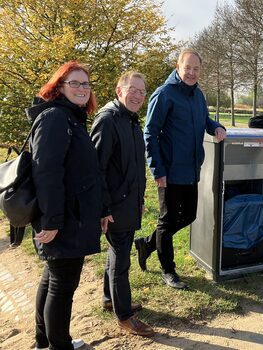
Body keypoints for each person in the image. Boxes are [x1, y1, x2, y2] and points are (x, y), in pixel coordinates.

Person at [28, 61, 111, 350]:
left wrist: (101, 209)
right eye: (74, 83)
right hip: (63, 220)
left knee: (53, 278)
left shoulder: (71, 118)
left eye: (86, 84)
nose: (82, 89)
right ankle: (59, 345)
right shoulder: (55, 118)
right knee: (62, 286)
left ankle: (44, 342)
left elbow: (84, 173)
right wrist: (51, 221)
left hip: (70, 216)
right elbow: (46, 171)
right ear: (59, 87)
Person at [135, 48, 227, 289]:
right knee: (166, 221)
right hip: (170, 170)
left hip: (192, 168)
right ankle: (169, 270)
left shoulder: (198, 95)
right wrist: (158, 170)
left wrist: (216, 126)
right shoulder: (164, 94)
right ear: (178, 67)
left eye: (196, 69)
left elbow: (205, 120)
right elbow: (150, 133)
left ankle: (147, 244)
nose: (192, 72)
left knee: (188, 216)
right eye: (188, 68)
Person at [90, 72, 154, 337]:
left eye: (142, 91)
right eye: (133, 90)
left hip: (129, 202)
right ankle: (125, 316)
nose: (138, 96)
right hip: (114, 206)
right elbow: (96, 170)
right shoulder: (107, 120)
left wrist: (139, 200)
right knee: (121, 262)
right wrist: (103, 209)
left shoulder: (130, 120)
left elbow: (135, 166)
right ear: (119, 91)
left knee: (116, 255)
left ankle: (109, 298)